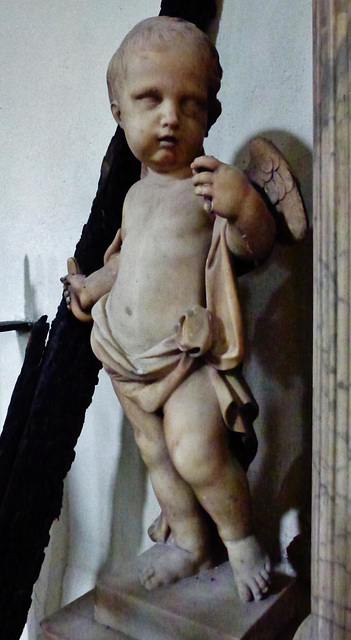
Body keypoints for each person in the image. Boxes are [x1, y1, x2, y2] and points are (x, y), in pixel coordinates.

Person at [61, 16, 276, 602]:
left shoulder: (207, 189)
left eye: (190, 103)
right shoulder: (133, 194)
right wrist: (90, 289)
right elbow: (127, 265)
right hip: (124, 352)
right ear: (118, 112)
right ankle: (188, 540)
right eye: (149, 99)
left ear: (210, 114)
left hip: (183, 356)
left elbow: (250, 248)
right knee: (157, 455)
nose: (169, 116)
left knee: (196, 450)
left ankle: (240, 540)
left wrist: (245, 205)